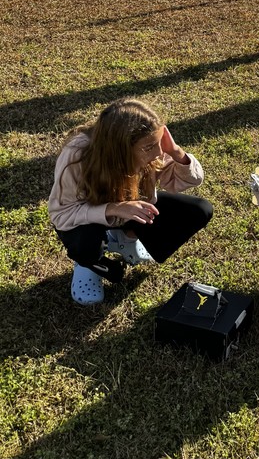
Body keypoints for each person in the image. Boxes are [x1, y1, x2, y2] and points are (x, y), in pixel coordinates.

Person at [48, 99, 212, 305]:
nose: (158, 153)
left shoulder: (151, 150)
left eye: (158, 143)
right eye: (150, 147)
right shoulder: (78, 155)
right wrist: (114, 209)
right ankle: (88, 263)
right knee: (85, 244)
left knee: (200, 210)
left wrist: (176, 151)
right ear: (121, 149)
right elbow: (61, 214)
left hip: (130, 211)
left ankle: (126, 238)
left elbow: (189, 180)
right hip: (90, 217)